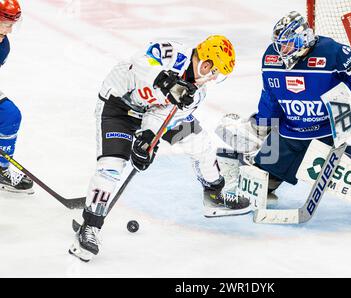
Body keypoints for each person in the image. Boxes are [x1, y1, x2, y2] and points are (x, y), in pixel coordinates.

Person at [216, 11, 351, 230]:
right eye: (279, 45)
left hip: (334, 133)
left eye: (288, 45)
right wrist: (264, 124)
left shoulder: (330, 51)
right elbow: (270, 95)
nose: (282, 51)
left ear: (303, 38)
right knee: (259, 181)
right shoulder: (271, 58)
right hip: (290, 135)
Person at [69, 35, 250, 262]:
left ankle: (214, 192)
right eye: (215, 72)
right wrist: (167, 82)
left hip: (150, 115)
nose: (214, 78)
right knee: (112, 165)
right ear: (207, 64)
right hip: (118, 107)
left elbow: (161, 115)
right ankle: (90, 226)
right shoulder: (172, 52)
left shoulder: (196, 92)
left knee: (199, 142)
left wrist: (147, 139)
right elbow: (140, 64)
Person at [0, 0, 33, 194]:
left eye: (12, 24)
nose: (9, 30)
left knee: (10, 114)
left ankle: (1, 169)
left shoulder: (3, 46)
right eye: (5, 23)